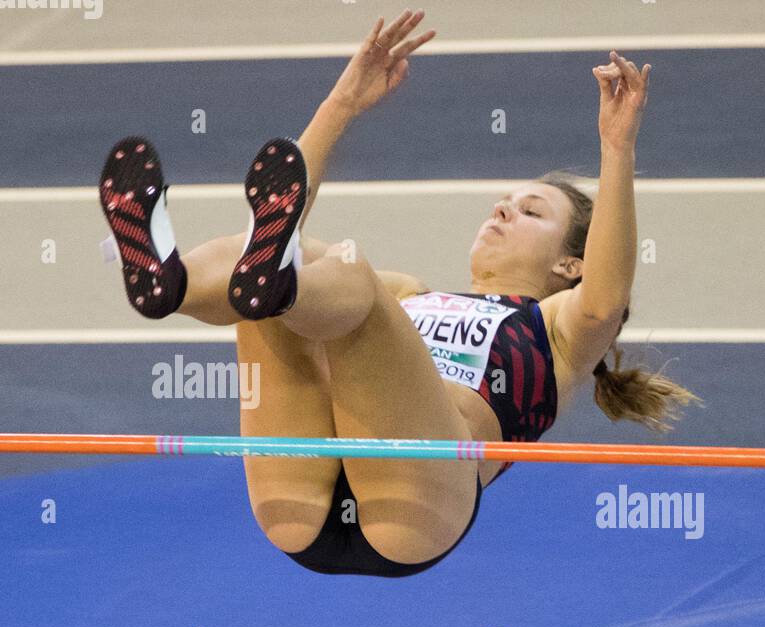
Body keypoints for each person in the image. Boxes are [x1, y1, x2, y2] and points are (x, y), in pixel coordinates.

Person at [97, 9, 698, 578]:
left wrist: (617, 149)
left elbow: (605, 299)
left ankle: (269, 278)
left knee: (340, 269)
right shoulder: (411, 294)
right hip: (301, 486)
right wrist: (342, 104)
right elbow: (280, 229)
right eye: (504, 201)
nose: (502, 209)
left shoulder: (556, 328)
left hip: (417, 508)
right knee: (284, 260)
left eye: (530, 211)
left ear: (571, 262)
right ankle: (170, 284)